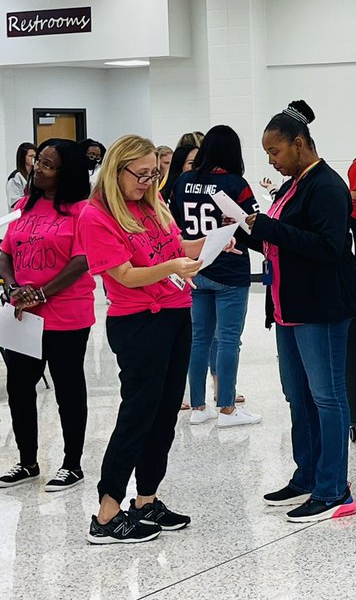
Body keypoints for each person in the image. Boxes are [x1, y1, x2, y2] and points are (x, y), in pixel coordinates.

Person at [78, 134, 228, 545]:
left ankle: (146, 501)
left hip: (176, 315)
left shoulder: (152, 204)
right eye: (141, 174)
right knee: (138, 415)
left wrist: (212, 244)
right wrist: (172, 266)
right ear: (116, 170)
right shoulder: (96, 216)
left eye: (154, 174)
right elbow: (124, 274)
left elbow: (177, 246)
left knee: (164, 415)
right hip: (139, 323)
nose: (148, 181)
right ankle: (107, 512)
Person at [241, 101, 356, 523]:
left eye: (274, 152)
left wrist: (269, 228)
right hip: (289, 306)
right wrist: (249, 235)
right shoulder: (293, 185)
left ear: (298, 143)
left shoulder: (326, 185)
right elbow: (284, 242)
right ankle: (307, 473)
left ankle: (333, 488)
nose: (271, 161)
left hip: (321, 307)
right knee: (298, 396)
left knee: (327, 397)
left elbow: (329, 247)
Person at [0, 139, 94, 491]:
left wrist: (41, 292)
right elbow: (5, 253)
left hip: (66, 313)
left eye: (48, 165)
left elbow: (82, 260)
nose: (38, 168)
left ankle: (72, 464)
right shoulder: (24, 205)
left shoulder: (82, 211)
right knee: (20, 388)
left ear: (66, 172)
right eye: (38, 161)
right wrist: (13, 288)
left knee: (68, 389)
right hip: (22, 314)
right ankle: (27, 461)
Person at [169, 125, 261, 428]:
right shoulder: (236, 184)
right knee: (228, 341)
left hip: (194, 270)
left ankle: (198, 407)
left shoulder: (182, 182)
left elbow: (174, 226)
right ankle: (227, 409)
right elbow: (252, 225)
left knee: (199, 340)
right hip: (229, 271)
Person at [6, 142, 36, 212]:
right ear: (23, 157)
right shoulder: (15, 178)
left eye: (35, 156)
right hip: (20, 216)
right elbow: (14, 202)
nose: (34, 158)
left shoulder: (36, 175)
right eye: (31, 156)